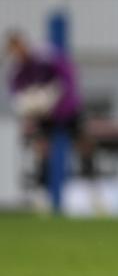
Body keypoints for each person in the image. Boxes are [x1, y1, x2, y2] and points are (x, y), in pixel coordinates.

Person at [5, 31, 93, 207]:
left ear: (23, 44)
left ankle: (90, 186)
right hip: (43, 114)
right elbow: (15, 94)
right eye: (13, 51)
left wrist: (57, 93)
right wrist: (30, 104)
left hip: (66, 107)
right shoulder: (16, 70)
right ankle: (43, 193)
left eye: (18, 48)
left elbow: (67, 72)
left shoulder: (43, 54)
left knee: (82, 143)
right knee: (42, 148)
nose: (17, 54)